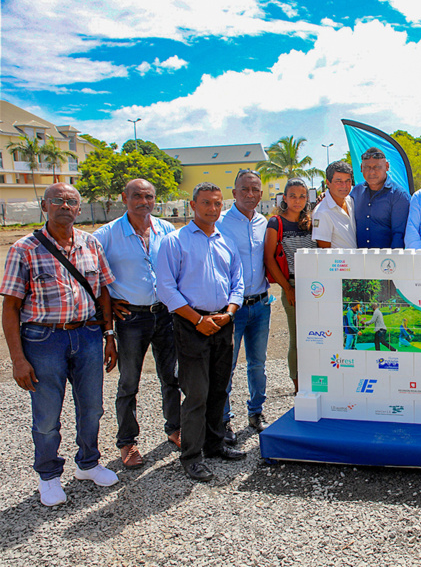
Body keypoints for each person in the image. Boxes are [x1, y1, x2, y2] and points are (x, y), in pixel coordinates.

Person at [1, 183, 119, 506]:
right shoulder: (24, 249)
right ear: (45, 206)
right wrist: (17, 359)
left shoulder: (91, 244)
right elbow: (10, 308)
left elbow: (103, 293)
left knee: (92, 407)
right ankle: (49, 475)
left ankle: (88, 462)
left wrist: (109, 336)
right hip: (43, 339)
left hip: (87, 335)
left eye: (71, 201)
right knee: (47, 415)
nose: (64, 205)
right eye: (57, 200)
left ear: (79, 210)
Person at [156, 182, 246, 482]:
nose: (212, 208)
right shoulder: (174, 241)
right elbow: (166, 289)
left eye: (218, 203)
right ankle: (192, 456)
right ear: (192, 205)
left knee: (220, 388)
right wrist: (197, 320)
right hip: (191, 326)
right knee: (196, 393)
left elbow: (238, 283)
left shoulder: (226, 241)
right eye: (206, 203)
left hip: (222, 322)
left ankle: (215, 444)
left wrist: (229, 312)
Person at [93, 178, 180, 469]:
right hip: (131, 317)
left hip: (165, 313)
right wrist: (105, 306)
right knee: (129, 381)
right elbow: (93, 278)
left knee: (171, 376)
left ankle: (175, 429)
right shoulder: (106, 235)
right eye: (137, 196)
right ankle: (127, 442)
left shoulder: (166, 230)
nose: (143, 201)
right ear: (124, 198)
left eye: (149, 196)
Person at [216, 170, 270, 443]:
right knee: (227, 366)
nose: (250, 194)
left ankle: (256, 412)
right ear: (234, 192)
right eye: (244, 189)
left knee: (257, 364)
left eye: (255, 190)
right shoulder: (221, 223)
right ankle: (224, 420)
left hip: (261, 304)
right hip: (231, 309)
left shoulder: (265, 223)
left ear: (261, 194)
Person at [264, 178, 316, 393]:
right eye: (293, 196)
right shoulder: (276, 223)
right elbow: (269, 258)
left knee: (317, 338)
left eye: (302, 196)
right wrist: (288, 288)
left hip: (316, 287)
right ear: (284, 198)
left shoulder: (312, 222)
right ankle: (297, 385)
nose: (298, 200)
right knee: (298, 339)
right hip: (292, 285)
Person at [350, 147, 410, 248]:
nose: (371, 172)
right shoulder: (356, 191)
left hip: (386, 261)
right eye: (367, 167)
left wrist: (391, 261)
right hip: (358, 259)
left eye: (377, 167)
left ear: (387, 166)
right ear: (361, 168)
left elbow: (399, 235)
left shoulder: (399, 195)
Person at [313, 161, 356, 249]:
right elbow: (325, 251)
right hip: (339, 262)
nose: (344, 186)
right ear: (328, 183)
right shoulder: (322, 212)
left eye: (348, 181)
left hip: (357, 261)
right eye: (339, 181)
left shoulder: (351, 201)